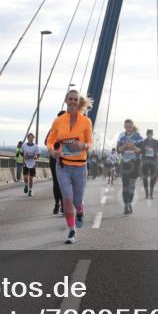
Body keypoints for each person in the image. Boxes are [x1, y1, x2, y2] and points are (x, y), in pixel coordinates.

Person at [45, 89, 94, 244]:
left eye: (75, 99)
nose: (73, 101)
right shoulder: (58, 121)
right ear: (66, 100)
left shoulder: (86, 122)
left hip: (80, 167)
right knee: (67, 199)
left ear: (78, 102)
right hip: (63, 166)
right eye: (70, 99)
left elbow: (91, 144)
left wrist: (83, 145)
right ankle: (72, 231)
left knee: (77, 201)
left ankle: (80, 210)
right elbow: (50, 140)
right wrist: (52, 151)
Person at [116, 119, 145, 214]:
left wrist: (133, 147)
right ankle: (126, 205)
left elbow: (141, 150)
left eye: (130, 127)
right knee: (125, 185)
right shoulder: (121, 136)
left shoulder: (138, 136)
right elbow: (118, 150)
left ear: (133, 127)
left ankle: (129, 203)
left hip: (135, 163)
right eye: (127, 127)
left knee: (132, 186)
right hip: (124, 163)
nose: (129, 128)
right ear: (124, 127)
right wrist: (125, 145)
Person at [48, 110, 65, 214]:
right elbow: (47, 142)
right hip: (55, 159)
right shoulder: (53, 129)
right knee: (56, 183)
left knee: (64, 183)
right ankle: (57, 204)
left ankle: (63, 204)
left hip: (66, 159)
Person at [138, 128, 158, 200]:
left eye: (150, 134)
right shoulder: (143, 142)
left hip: (153, 161)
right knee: (145, 178)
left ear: (152, 134)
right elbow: (140, 151)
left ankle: (151, 194)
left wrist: (157, 152)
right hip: (145, 161)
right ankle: (146, 194)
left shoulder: (156, 142)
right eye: (148, 134)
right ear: (146, 134)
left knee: (153, 178)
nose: (149, 135)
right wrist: (144, 149)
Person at [20, 132, 39, 196]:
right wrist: (24, 156)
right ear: (27, 138)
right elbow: (21, 152)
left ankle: (30, 190)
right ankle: (26, 185)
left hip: (33, 164)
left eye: (32, 137)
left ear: (33, 138)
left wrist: (36, 157)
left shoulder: (35, 146)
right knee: (25, 177)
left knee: (31, 178)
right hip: (26, 163)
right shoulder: (24, 145)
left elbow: (38, 154)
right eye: (29, 137)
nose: (31, 139)